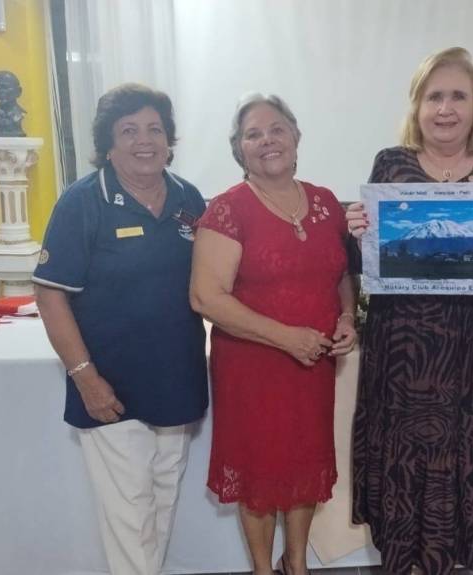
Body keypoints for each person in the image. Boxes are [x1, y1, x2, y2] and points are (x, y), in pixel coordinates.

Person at [345, 47, 473, 575]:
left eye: (458, 96)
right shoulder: (391, 164)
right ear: (417, 106)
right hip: (402, 356)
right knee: (403, 459)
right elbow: (368, 267)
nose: (445, 109)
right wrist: (358, 237)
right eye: (434, 97)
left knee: (465, 455)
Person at [33, 83, 208, 575]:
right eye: (129, 130)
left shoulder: (188, 198)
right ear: (108, 143)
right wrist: (85, 377)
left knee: (163, 498)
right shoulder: (82, 202)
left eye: (155, 129)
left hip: (177, 378)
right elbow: (49, 294)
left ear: (169, 140)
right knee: (129, 512)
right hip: (109, 385)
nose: (144, 141)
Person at [189, 94, 356, 575]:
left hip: (313, 366)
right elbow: (206, 298)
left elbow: (341, 274)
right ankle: (264, 569)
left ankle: (296, 563)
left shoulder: (326, 202)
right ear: (239, 149)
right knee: (260, 474)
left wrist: (347, 317)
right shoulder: (227, 210)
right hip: (253, 369)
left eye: (277, 129)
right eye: (253, 134)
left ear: (296, 136)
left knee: (304, 466)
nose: (268, 140)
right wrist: (286, 338)